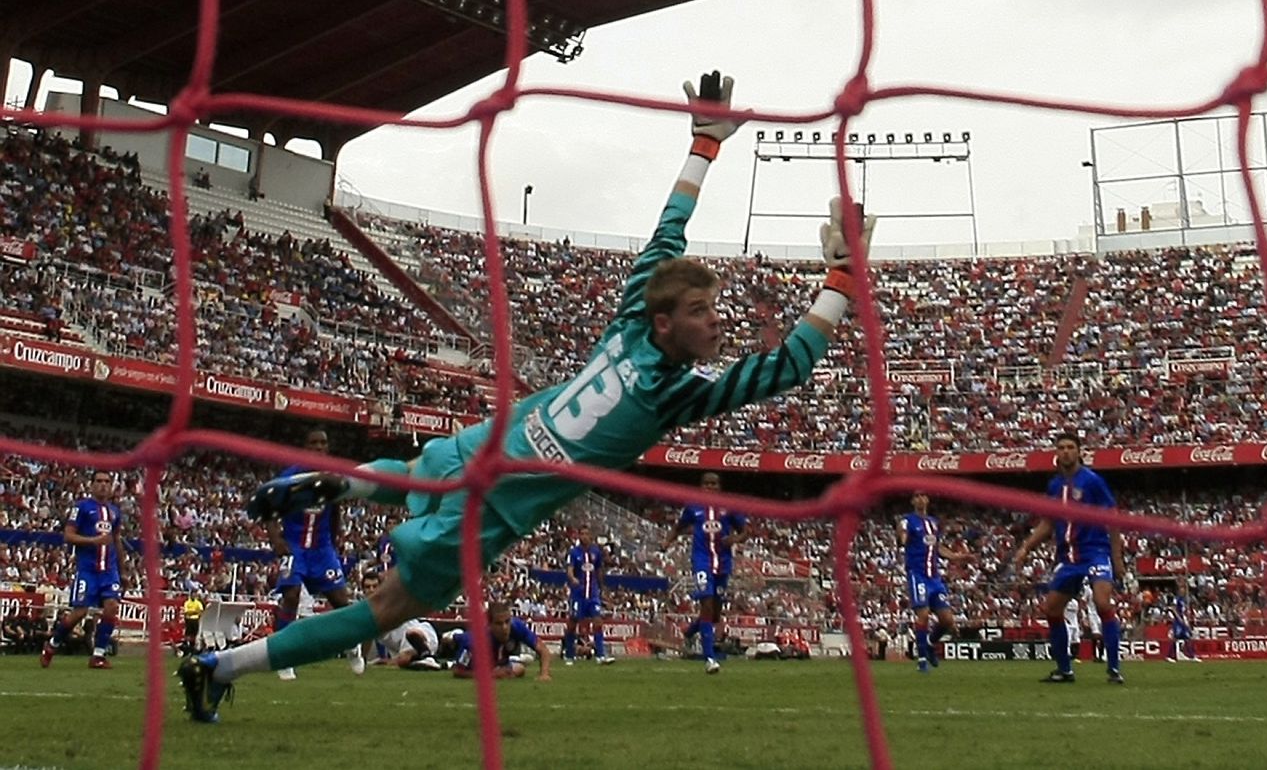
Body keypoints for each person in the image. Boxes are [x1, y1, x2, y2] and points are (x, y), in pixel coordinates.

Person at [178, 71, 875, 724]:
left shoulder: (633, 318)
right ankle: (224, 665)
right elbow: (787, 367)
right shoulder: (673, 392)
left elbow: (668, 232)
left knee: (414, 481)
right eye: (703, 311)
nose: (716, 320)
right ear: (669, 322)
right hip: (501, 497)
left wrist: (702, 147)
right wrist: (841, 282)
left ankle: (346, 486)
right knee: (385, 610)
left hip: (495, 440)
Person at [1005, 431, 1131, 685]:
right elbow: (1048, 523)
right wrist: (1026, 547)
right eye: (1061, 447)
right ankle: (1065, 669)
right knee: (1051, 608)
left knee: (1102, 603)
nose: (1065, 451)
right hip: (1068, 557)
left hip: (1095, 551)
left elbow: (1113, 518)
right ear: (1056, 452)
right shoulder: (1054, 486)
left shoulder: (1093, 482)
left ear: (1079, 451)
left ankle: (1114, 669)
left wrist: (1116, 558)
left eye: (1070, 447)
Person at [264, 426, 363, 680]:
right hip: (294, 546)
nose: (319, 448)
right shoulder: (291, 477)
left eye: (323, 444)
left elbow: (336, 509)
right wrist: (275, 537)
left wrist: (336, 539)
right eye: (314, 444)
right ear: (305, 448)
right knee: (292, 595)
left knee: (341, 600)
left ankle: (353, 645)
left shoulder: (333, 478)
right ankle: (283, 656)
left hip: (321, 548)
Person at [660, 471, 748, 674]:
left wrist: (735, 539)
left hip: (723, 563)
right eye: (707, 484)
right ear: (702, 486)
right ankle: (710, 658)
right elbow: (679, 527)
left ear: (719, 486)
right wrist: (666, 542)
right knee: (706, 604)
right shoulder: (693, 507)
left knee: (714, 613)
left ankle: (690, 632)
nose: (711, 487)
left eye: (714, 484)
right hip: (701, 561)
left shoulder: (728, 507)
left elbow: (745, 531)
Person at [41, 469, 123, 669]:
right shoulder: (82, 507)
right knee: (79, 612)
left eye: (107, 481)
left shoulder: (115, 511)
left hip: (109, 570)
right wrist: (94, 540)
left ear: (111, 486)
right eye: (99, 481)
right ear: (92, 485)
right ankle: (52, 645)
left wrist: (122, 569)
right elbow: (68, 536)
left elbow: (116, 539)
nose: (103, 484)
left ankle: (98, 655)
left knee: (112, 606)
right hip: (87, 569)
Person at [897, 490, 975, 674]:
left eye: (923, 495)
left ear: (927, 499)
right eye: (916, 496)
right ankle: (922, 659)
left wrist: (957, 556)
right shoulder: (908, 520)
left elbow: (937, 547)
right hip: (917, 574)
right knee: (923, 614)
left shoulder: (933, 523)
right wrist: (902, 537)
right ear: (912, 500)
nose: (920, 498)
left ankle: (930, 644)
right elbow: (902, 535)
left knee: (948, 620)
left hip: (934, 577)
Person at [447, 600, 551, 680]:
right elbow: (458, 671)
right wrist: (491, 675)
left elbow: (543, 649)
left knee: (520, 669)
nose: (504, 627)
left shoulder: (516, 626)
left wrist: (544, 674)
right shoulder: (473, 641)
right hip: (458, 640)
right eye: (499, 623)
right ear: (490, 624)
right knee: (449, 639)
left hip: (496, 661)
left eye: (507, 621)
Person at [562, 526, 613, 666]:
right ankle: (569, 655)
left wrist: (603, 590)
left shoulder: (596, 552)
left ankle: (600, 655)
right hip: (578, 594)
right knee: (572, 623)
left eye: (586, 533)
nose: (584, 536)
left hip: (593, 594)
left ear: (591, 536)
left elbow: (598, 571)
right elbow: (570, 570)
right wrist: (572, 579)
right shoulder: (573, 553)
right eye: (581, 533)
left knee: (598, 621)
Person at [375, 617, 445, 670]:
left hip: (422, 636)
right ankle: (428, 658)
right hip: (424, 633)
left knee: (412, 634)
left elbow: (403, 659)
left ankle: (428, 658)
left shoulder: (407, 631)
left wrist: (386, 662)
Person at [1167, 577, 1200, 663]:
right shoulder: (1176, 598)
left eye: (1184, 589)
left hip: (1183, 620)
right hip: (1178, 621)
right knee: (1176, 638)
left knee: (1188, 638)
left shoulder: (1184, 600)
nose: (1184, 591)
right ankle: (1170, 656)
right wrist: (1179, 618)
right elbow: (1173, 609)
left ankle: (1192, 655)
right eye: (1182, 589)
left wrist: (1186, 618)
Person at [181, 590, 205, 655]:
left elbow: (201, 611)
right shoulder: (187, 602)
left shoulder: (198, 603)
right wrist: (195, 612)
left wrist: (191, 612)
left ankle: (192, 647)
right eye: (193, 594)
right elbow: (186, 612)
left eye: (195, 594)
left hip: (195, 620)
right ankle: (186, 647)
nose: (194, 596)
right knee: (188, 634)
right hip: (189, 619)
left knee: (194, 634)